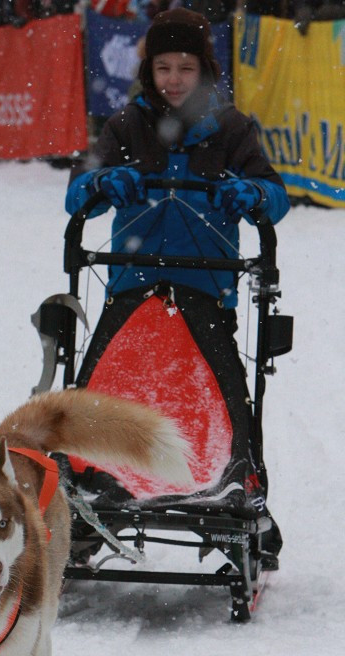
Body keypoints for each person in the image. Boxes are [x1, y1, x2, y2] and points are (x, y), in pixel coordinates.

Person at [64, 8, 290, 554]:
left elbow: (274, 196)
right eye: (163, 66)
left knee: (224, 397)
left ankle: (238, 488)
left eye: (185, 67)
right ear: (150, 70)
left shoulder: (231, 129)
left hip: (204, 289)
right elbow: (76, 196)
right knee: (98, 395)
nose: (173, 78)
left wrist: (252, 195)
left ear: (203, 70)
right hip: (133, 286)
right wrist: (102, 182)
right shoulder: (126, 125)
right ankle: (85, 487)